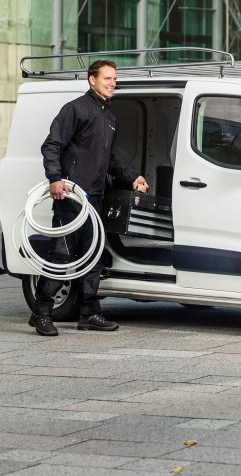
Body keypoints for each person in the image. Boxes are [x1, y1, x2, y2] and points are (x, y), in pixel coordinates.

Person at [30, 59, 149, 336]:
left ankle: (89, 314)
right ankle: (41, 313)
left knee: (93, 255)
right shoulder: (75, 109)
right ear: (92, 79)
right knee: (63, 255)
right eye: (107, 78)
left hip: (95, 198)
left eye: (114, 79)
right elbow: (51, 145)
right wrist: (55, 178)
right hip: (71, 197)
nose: (112, 83)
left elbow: (109, 159)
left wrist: (132, 176)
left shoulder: (109, 116)